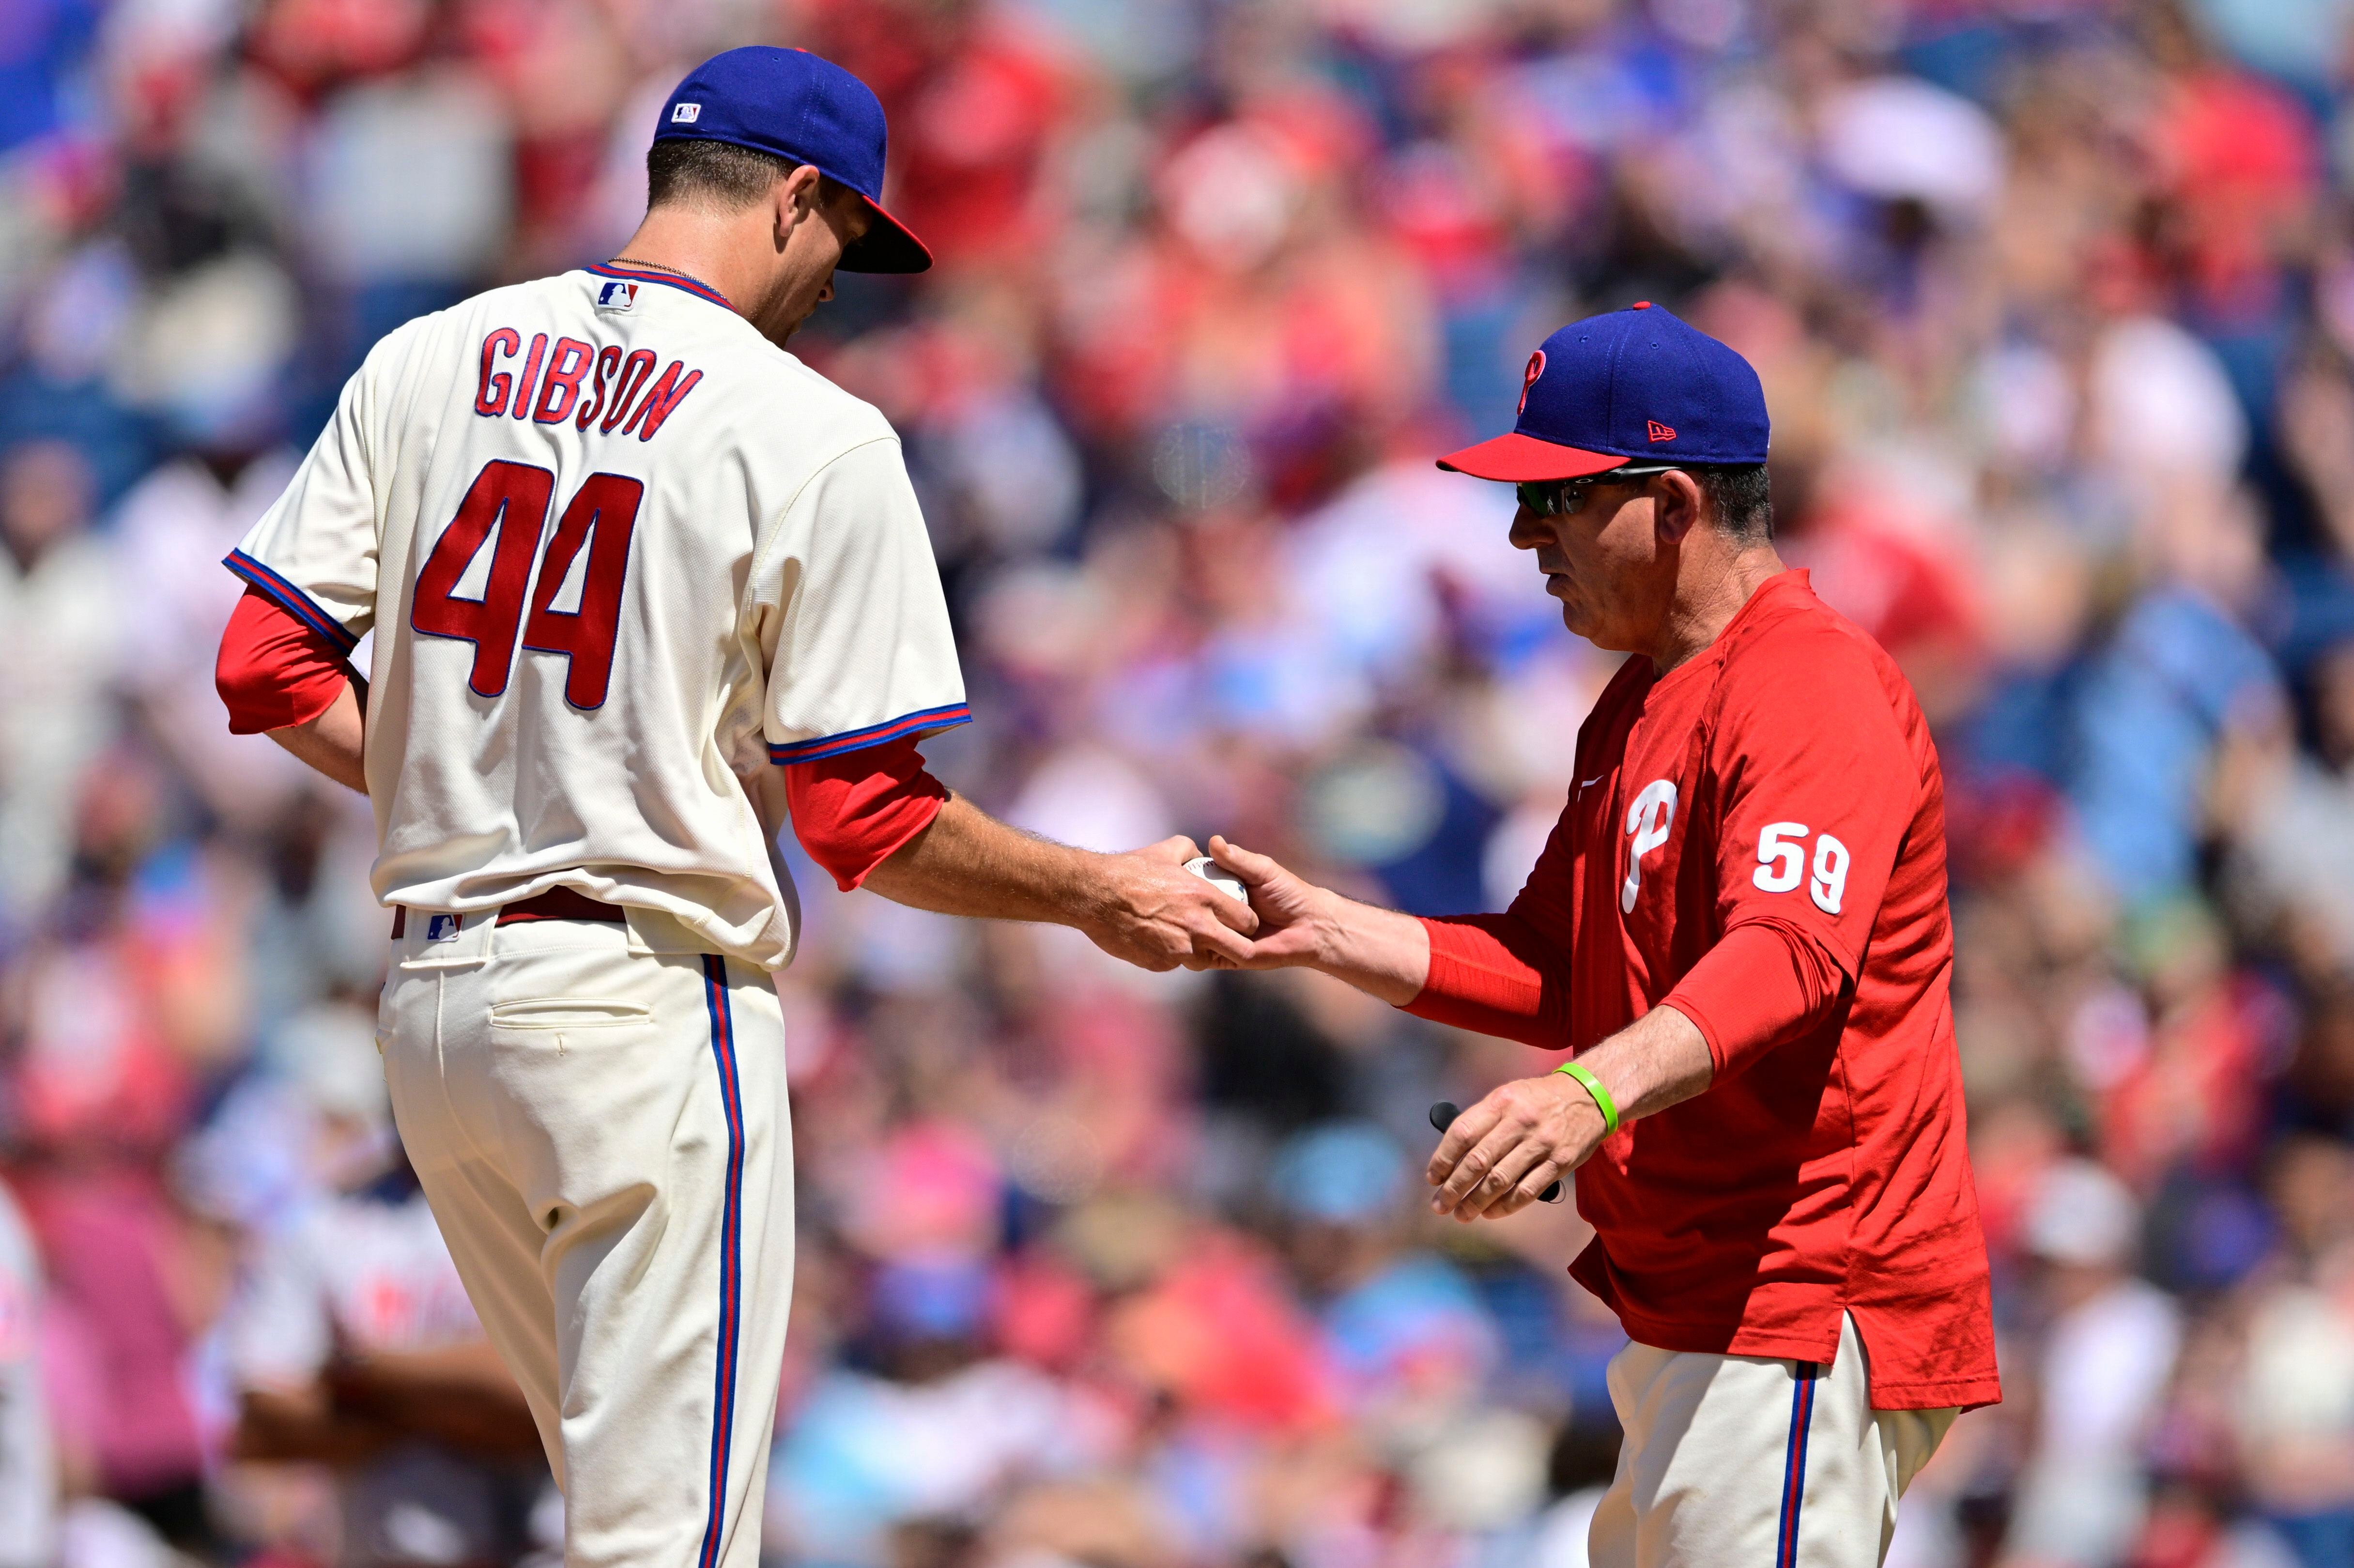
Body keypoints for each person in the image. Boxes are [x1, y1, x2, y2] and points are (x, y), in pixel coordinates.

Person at [211, 46, 1255, 1568]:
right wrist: (1098, 888)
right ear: (797, 197)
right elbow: (865, 824)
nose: (838, 284)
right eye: (845, 240)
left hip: (435, 1012)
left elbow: (266, 663)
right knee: (669, 1545)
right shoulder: (810, 430)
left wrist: (493, 780)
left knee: (613, 1499)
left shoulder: (435, 354)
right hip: (635, 1003)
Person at [1209, 304, 2000, 1567]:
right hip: (1699, 1305)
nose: (1525, 536)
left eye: (1560, 499)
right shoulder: (1640, 702)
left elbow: (1792, 955)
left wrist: (1590, 1094)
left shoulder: (1810, 679)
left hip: (1801, 1286)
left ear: (1674, 505)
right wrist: (1334, 934)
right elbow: (1567, 970)